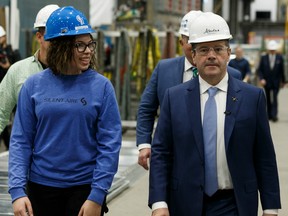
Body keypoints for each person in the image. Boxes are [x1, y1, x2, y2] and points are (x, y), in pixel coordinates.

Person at [149, 12, 281, 216]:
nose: (211, 55)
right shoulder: (173, 98)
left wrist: (270, 207)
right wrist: (159, 203)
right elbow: (161, 154)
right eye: (203, 50)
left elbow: (264, 156)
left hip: (234, 204)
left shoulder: (252, 98)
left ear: (228, 53)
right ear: (193, 56)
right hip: (184, 203)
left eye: (218, 49)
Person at [8, 6, 122, 216]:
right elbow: (21, 140)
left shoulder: (102, 87)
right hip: (41, 189)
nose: (88, 51)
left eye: (90, 44)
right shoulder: (33, 86)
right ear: (60, 47)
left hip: (84, 190)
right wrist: (17, 191)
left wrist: (97, 195)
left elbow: (110, 145)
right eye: (80, 45)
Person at [136, 10, 242, 170]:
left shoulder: (232, 75)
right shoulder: (164, 70)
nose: (197, 46)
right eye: (191, 41)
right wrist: (144, 143)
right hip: (172, 153)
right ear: (181, 43)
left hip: (216, 157)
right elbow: (146, 108)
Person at [0, 4, 59, 141]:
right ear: (39, 37)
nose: (58, 42)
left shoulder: (74, 72)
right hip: (26, 153)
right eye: (52, 36)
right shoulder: (19, 71)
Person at [0, 25, 21, 150]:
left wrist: (8, 66)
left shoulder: (12, 52)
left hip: (13, 89)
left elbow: (18, 70)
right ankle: (8, 146)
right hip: (2, 90)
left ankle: (14, 145)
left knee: (17, 118)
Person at [258, 40, 286, 122]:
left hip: (276, 82)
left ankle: (274, 115)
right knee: (268, 98)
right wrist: (261, 79)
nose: (272, 51)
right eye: (271, 50)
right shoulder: (264, 58)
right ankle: (269, 115)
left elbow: (282, 70)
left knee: (275, 98)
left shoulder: (280, 58)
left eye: (274, 50)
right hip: (266, 82)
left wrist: (284, 82)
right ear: (268, 50)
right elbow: (260, 70)